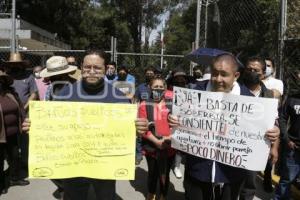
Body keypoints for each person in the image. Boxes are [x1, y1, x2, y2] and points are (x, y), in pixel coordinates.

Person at [136, 53, 280, 200]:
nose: (218, 79)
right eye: (215, 73)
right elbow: (164, 114)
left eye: (224, 75)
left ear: (236, 75)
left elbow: (266, 125)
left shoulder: (248, 100)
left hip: (231, 173)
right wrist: (168, 121)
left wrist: (273, 132)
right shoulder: (193, 94)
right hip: (198, 169)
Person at [239, 56, 280, 199]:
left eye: (255, 70)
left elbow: (275, 123)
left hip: (255, 148)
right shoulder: (234, 90)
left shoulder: (268, 95)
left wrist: (274, 148)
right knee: (228, 184)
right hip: (233, 145)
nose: (251, 72)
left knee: (249, 185)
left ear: (263, 74)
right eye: (248, 69)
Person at [39, 55, 78, 199]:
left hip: (77, 134)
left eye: (57, 74)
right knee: (52, 167)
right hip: (55, 133)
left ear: (66, 73)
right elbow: (44, 108)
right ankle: (63, 187)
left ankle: (72, 190)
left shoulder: (78, 85)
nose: (54, 78)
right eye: (52, 75)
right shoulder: (50, 88)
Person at [3, 52, 38, 183]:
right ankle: (13, 167)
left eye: (18, 64)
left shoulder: (29, 76)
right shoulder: (5, 77)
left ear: (22, 65)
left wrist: (24, 107)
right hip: (9, 114)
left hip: (25, 112)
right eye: (13, 64)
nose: (15, 66)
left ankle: (24, 164)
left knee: (25, 139)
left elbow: (34, 93)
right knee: (11, 141)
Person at [139, 76, 175, 200]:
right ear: (150, 88)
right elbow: (143, 129)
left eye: (161, 87)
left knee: (165, 174)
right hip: (152, 148)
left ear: (165, 89)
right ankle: (151, 193)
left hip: (169, 148)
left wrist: (168, 138)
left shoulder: (172, 105)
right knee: (153, 173)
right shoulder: (144, 104)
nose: (158, 89)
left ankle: (163, 195)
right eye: (155, 87)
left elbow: (177, 125)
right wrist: (157, 142)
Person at [274, 70, 300, 200]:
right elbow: (282, 118)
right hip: (293, 147)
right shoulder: (292, 99)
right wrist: (286, 138)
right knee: (287, 179)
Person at [0, 69, 26, 196]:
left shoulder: (11, 93)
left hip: (13, 133)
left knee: (15, 156)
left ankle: (14, 178)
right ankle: (1, 185)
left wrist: (24, 120)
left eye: (1, 79)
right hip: (0, 135)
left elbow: (20, 107)